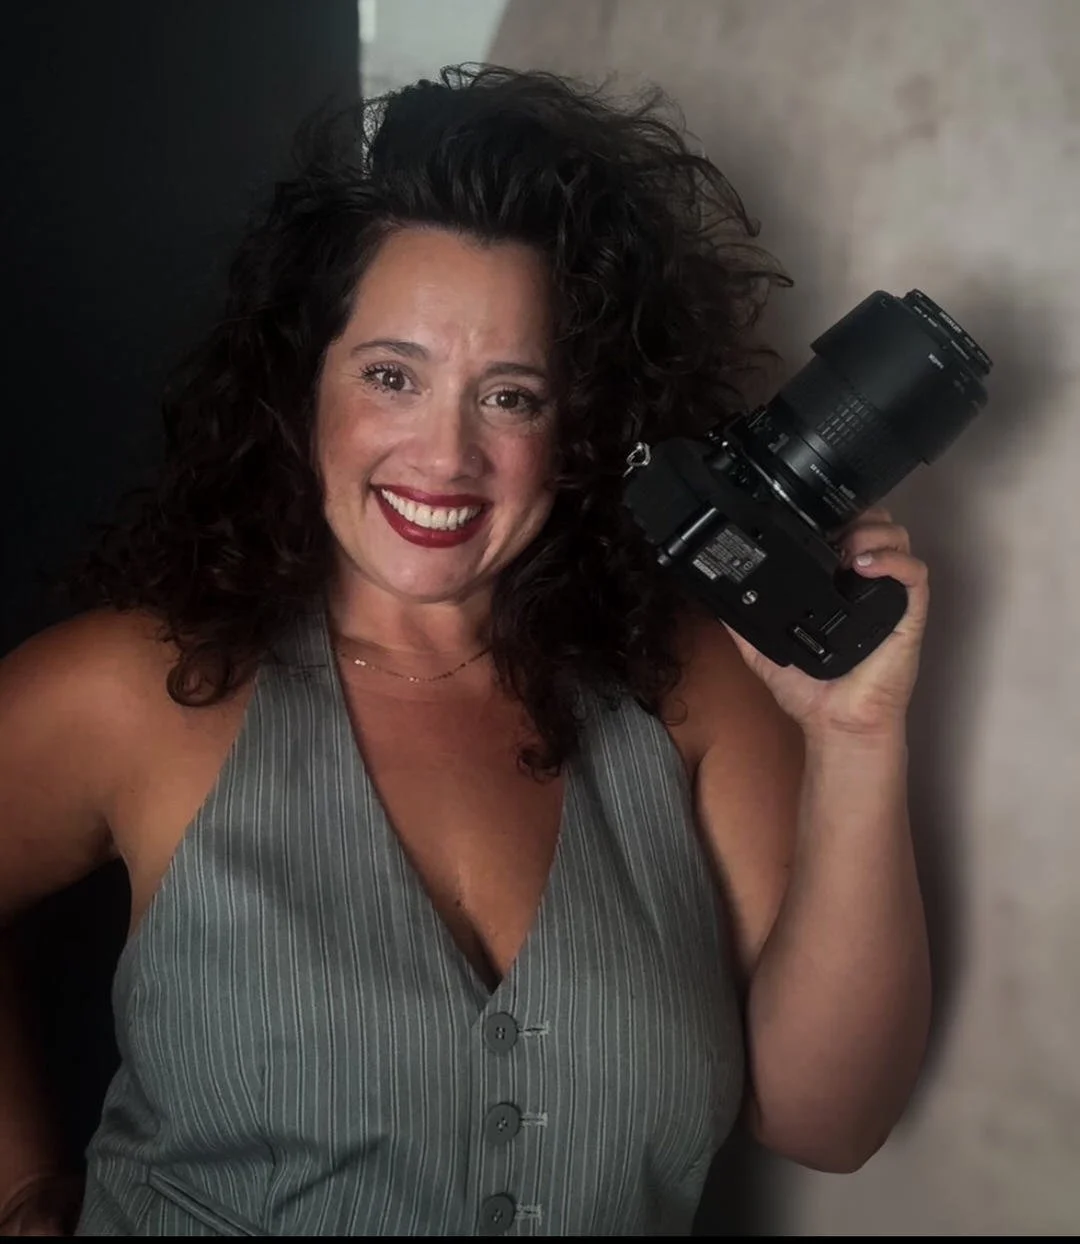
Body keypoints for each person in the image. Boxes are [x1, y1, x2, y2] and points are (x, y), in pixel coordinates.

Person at [0, 65, 932, 1236]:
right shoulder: (134, 690)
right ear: (306, 387)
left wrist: (857, 736)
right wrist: (25, 1190)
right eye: (393, 376)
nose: (445, 455)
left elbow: (828, 1122)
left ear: (581, 426)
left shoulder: (692, 689)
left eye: (512, 397)